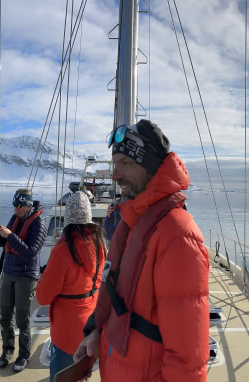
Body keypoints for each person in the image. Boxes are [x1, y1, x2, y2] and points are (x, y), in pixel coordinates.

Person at [73, 120, 210, 381]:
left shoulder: (177, 235)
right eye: (114, 164)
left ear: (150, 166)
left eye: (125, 163)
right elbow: (120, 299)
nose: (115, 175)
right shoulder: (133, 224)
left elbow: (187, 359)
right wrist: (96, 333)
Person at [36, 192, 106, 379]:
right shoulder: (99, 244)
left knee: (62, 376)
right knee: (80, 374)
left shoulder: (63, 250)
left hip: (67, 332)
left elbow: (42, 297)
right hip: (90, 325)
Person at [0, 189, 48, 372]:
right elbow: (5, 244)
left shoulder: (39, 223)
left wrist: (10, 236)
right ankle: (7, 350)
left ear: (29, 204)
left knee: (22, 319)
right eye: (15, 205)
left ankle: (23, 355)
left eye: (20, 206)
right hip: (8, 272)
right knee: (5, 316)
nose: (17, 209)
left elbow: (30, 252)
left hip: (25, 276)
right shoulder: (15, 219)